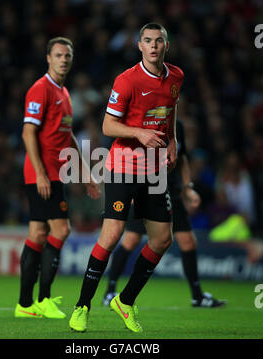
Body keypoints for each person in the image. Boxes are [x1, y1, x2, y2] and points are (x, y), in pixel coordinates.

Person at [69, 22, 183, 333]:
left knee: (162, 239)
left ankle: (125, 301)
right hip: (123, 165)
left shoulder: (176, 76)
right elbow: (107, 126)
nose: (154, 46)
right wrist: (139, 133)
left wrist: (171, 140)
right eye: (148, 41)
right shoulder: (127, 80)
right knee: (112, 235)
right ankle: (82, 306)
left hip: (155, 168)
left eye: (159, 40)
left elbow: (170, 111)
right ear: (140, 46)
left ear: (166, 46)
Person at [15, 37, 99, 319]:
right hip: (43, 173)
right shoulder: (41, 90)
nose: (64, 59)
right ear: (48, 58)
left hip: (54, 172)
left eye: (68, 55)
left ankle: (25, 305)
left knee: (38, 234)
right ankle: (44, 299)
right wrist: (40, 173)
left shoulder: (63, 92)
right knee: (61, 230)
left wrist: (85, 171)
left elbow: (67, 135)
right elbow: (28, 132)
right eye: (59, 55)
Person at [103, 121, 227, 308]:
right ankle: (110, 291)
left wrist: (187, 188)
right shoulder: (143, 122)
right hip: (149, 188)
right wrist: (131, 189)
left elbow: (182, 158)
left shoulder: (177, 126)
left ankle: (197, 296)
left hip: (172, 190)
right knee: (131, 239)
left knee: (188, 242)